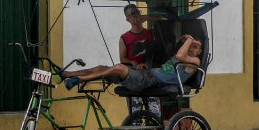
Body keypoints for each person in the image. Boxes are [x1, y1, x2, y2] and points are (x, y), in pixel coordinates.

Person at [62, 34, 204, 92]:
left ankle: (79, 79)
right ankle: (67, 73)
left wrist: (190, 39)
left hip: (151, 81)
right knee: (102, 68)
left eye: (196, 47)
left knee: (119, 68)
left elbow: (180, 55)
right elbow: (177, 55)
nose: (192, 47)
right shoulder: (182, 56)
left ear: (199, 52)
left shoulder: (194, 62)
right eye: (192, 45)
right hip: (146, 74)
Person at [119, 3, 167, 119]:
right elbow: (122, 58)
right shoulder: (124, 37)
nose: (134, 17)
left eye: (136, 13)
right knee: (135, 112)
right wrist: (133, 63)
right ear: (127, 19)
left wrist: (147, 17)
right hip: (135, 76)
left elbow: (165, 21)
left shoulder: (151, 33)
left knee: (154, 109)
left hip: (150, 74)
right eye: (131, 15)